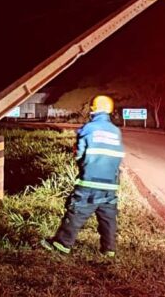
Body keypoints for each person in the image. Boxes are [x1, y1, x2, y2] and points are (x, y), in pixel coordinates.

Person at [41, 95, 125, 257]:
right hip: (111, 185)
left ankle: (61, 245)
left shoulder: (88, 129)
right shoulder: (116, 131)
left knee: (76, 212)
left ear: (93, 110)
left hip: (89, 183)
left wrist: (82, 163)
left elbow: (79, 154)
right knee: (108, 217)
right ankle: (109, 250)